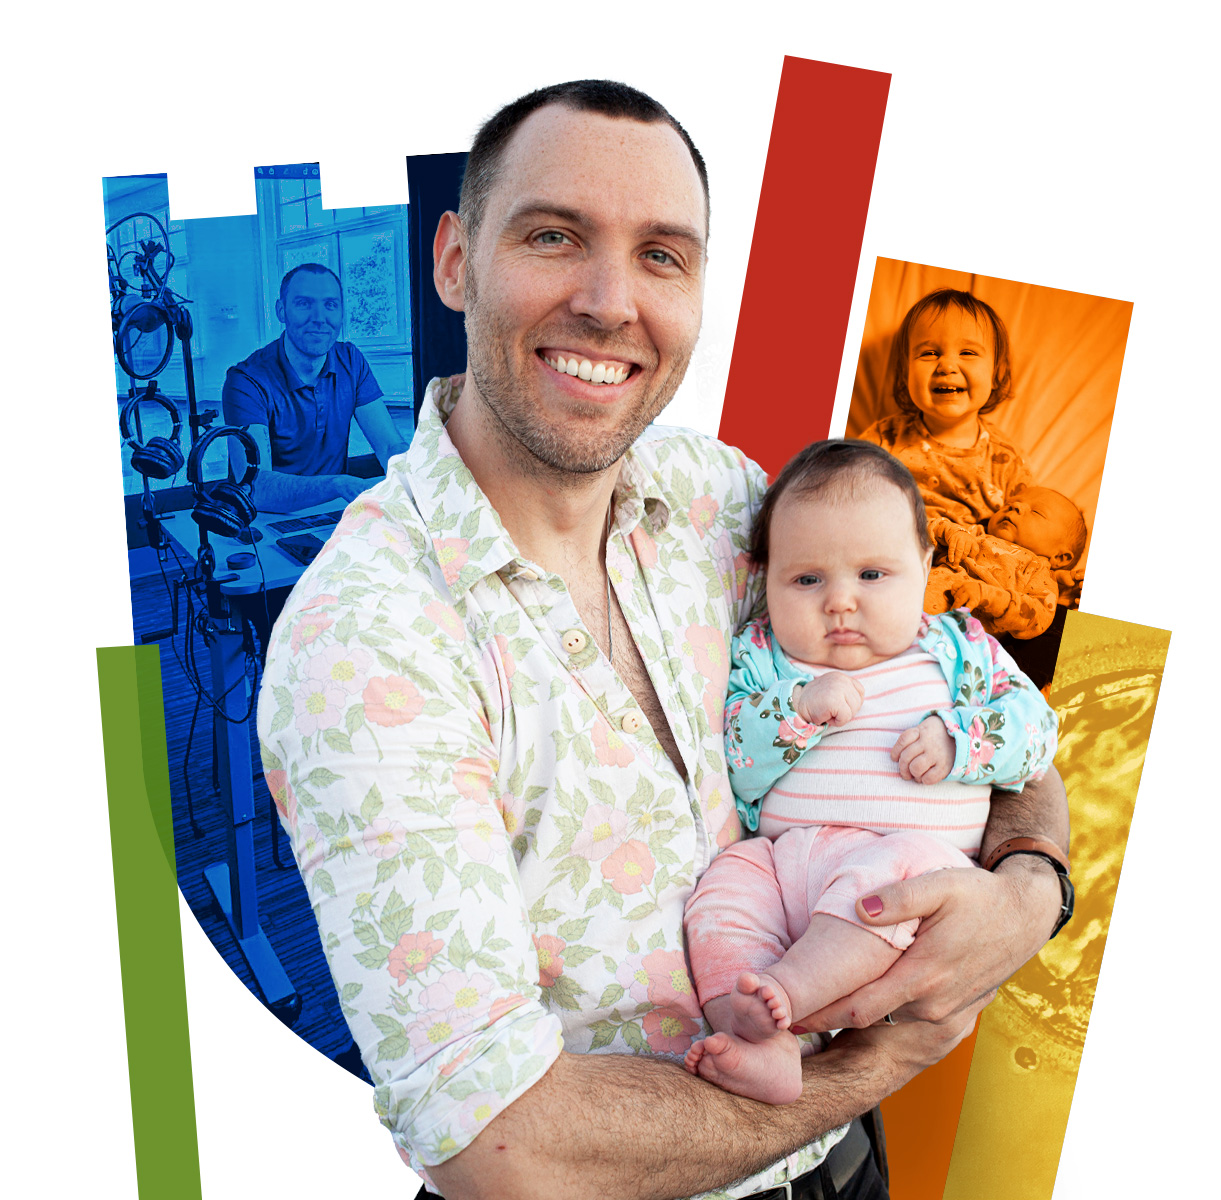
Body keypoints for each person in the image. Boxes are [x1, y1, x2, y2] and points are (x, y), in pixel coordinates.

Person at [258, 80, 1071, 1200]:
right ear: (454, 260)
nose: (608, 301)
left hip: (845, 1175)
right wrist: (880, 1062)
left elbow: (959, 677)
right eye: (554, 237)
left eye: (662, 256)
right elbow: (499, 1144)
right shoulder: (368, 643)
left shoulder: (723, 496)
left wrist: (1031, 887)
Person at [681, 440, 1060, 1105]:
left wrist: (960, 740)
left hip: (907, 875)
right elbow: (737, 757)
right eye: (806, 580)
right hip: (782, 862)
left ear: (923, 566)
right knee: (721, 889)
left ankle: (789, 997)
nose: (839, 603)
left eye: (871, 575)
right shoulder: (766, 658)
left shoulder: (958, 650)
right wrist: (794, 711)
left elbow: (1036, 732)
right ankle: (756, 1040)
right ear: (765, 582)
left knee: (906, 865)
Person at [222, 263, 410, 512]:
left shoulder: (351, 361)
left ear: (341, 313)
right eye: (304, 304)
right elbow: (256, 486)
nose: (319, 318)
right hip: (266, 520)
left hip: (333, 511)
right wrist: (335, 485)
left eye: (330, 305)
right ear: (281, 311)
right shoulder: (246, 380)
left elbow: (389, 446)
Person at [924, 485, 1088, 637]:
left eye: (1037, 512)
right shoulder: (975, 533)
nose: (1015, 506)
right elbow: (922, 533)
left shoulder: (1039, 572)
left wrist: (992, 597)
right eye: (1009, 504)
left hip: (952, 635)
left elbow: (1037, 618)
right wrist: (949, 532)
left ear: (1060, 557)